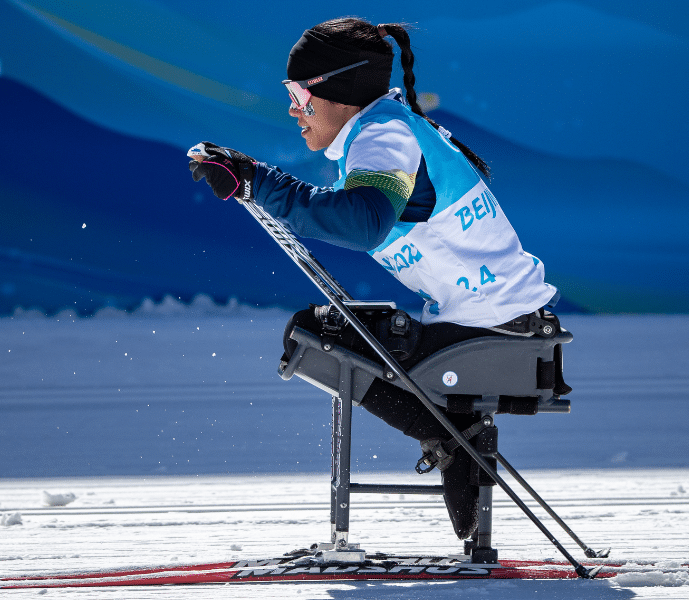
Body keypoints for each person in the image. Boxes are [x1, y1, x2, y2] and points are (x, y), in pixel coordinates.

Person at [188, 17, 563, 542]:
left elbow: (360, 223)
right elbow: (350, 213)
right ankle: (455, 439)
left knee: (317, 339)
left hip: (496, 333)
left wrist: (258, 180)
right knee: (324, 335)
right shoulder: (387, 127)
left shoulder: (384, 136)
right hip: (501, 324)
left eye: (298, 94)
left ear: (337, 89)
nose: (293, 110)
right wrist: (255, 180)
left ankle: (455, 440)